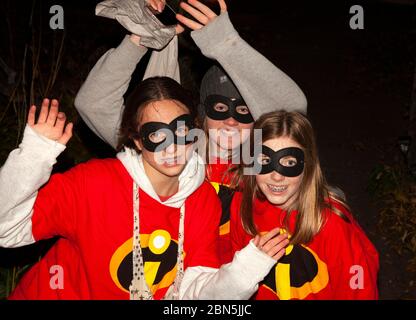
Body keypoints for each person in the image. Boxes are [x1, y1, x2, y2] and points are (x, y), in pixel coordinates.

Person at [0, 79, 289, 300]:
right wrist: (33, 157)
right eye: (156, 135)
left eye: (182, 130)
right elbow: (6, 230)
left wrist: (244, 272)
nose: (172, 146)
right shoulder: (93, 183)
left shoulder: (202, 200)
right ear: (137, 140)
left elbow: (193, 293)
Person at [74, 0, 307, 264]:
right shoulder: (174, 149)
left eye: (243, 112)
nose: (231, 122)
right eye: (220, 108)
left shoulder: (260, 160)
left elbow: (294, 113)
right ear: (202, 115)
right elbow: (93, 104)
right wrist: (138, 39)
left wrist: (228, 46)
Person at [229, 110, 379, 300]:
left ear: (307, 165)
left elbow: (358, 291)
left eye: (289, 162)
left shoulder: (331, 223)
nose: (276, 176)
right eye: (265, 161)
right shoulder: (243, 207)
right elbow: (232, 282)